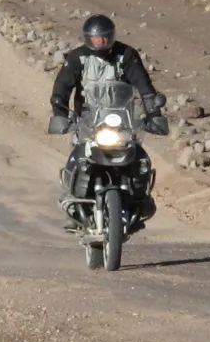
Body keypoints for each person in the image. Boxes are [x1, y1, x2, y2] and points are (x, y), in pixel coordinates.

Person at [50, 15, 161, 226]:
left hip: (121, 121)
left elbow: (144, 87)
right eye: (96, 39)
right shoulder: (77, 58)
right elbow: (62, 88)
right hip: (88, 121)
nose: (100, 42)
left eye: (104, 38)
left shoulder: (126, 55)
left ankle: (140, 199)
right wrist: (60, 113)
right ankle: (71, 200)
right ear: (87, 39)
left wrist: (153, 112)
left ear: (111, 37)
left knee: (139, 158)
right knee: (79, 157)